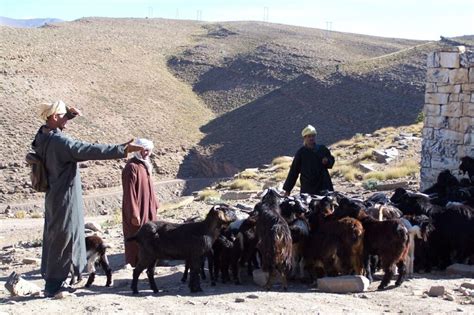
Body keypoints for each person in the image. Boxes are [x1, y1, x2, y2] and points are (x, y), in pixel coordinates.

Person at [32, 100, 143, 297]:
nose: (65, 119)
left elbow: (53, 128)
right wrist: (122, 150)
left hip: (53, 195)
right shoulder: (61, 143)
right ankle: (55, 285)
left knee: (55, 235)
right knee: (63, 239)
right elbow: (89, 149)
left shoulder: (42, 137)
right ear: (54, 116)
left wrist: (67, 117)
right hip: (65, 197)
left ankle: (55, 279)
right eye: (62, 115)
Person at [121, 138, 159, 267]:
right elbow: (129, 193)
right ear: (138, 150)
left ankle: (150, 260)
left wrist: (155, 203)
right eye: (144, 150)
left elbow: (150, 187)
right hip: (137, 208)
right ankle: (134, 262)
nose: (147, 153)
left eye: (149, 150)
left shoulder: (145, 165)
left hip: (148, 206)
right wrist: (134, 213)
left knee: (150, 233)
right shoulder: (131, 167)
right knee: (136, 235)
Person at [283, 124, 335, 196]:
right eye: (309, 136)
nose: (311, 138)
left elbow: (331, 162)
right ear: (304, 138)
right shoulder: (301, 153)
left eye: (313, 136)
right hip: (308, 188)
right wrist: (288, 190)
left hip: (324, 186)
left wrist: (327, 161)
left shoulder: (322, 149)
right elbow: (293, 172)